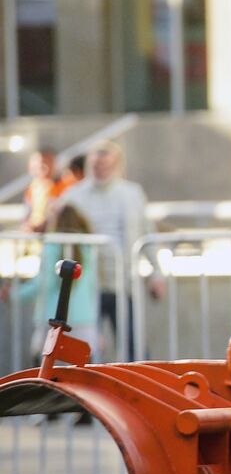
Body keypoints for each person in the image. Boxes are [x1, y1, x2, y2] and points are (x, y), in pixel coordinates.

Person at [61, 140, 165, 361]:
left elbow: (148, 235)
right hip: (86, 287)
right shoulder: (73, 196)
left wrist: (156, 273)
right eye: (96, 164)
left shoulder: (132, 193)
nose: (100, 169)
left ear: (117, 165)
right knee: (86, 349)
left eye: (106, 165)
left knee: (133, 346)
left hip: (123, 283)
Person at [13, 203, 101, 361]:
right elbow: (93, 287)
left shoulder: (52, 245)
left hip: (52, 318)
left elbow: (44, 283)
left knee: (47, 373)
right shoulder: (89, 246)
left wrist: (15, 295)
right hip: (85, 320)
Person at [20, 146, 66, 233]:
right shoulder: (33, 188)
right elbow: (27, 214)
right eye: (39, 162)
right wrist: (27, 226)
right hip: (36, 238)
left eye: (48, 161)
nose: (43, 165)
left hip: (58, 236)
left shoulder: (67, 185)